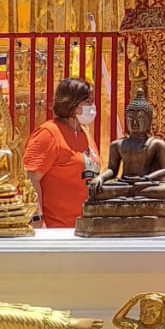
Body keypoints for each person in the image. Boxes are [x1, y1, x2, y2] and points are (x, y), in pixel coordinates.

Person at [23, 77, 100, 228]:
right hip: (57, 229)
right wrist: (37, 220)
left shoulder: (84, 132)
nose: (93, 107)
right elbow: (31, 179)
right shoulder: (48, 133)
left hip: (86, 225)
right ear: (73, 104)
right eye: (88, 102)